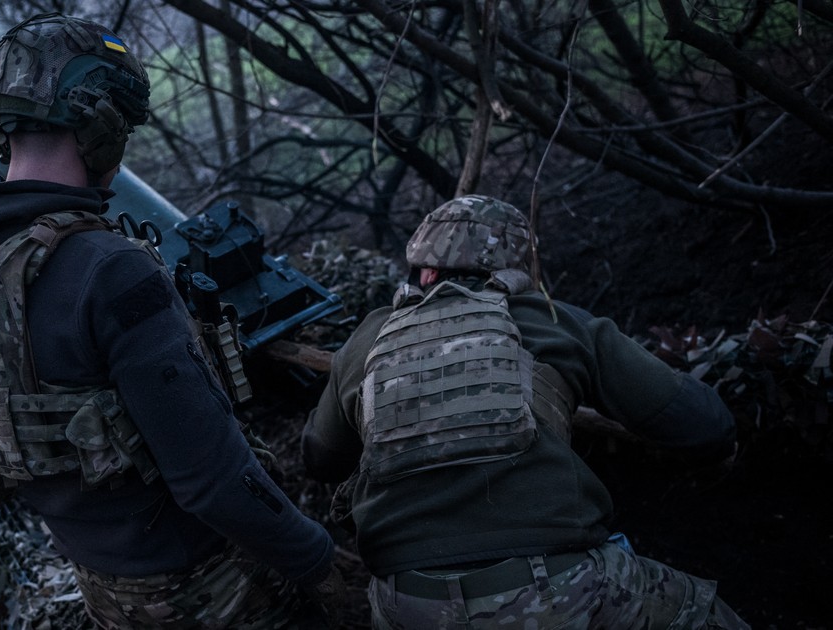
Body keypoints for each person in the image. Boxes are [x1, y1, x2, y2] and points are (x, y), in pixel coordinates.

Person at [0, 13, 342, 628]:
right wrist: (317, 557)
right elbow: (211, 480)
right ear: (101, 122)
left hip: (103, 587)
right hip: (208, 584)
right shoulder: (109, 270)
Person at [302, 195, 749, 628]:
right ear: (516, 269)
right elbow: (704, 426)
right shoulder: (549, 320)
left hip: (407, 601)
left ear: (425, 270)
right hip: (551, 590)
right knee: (702, 613)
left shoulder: (366, 341)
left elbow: (319, 459)